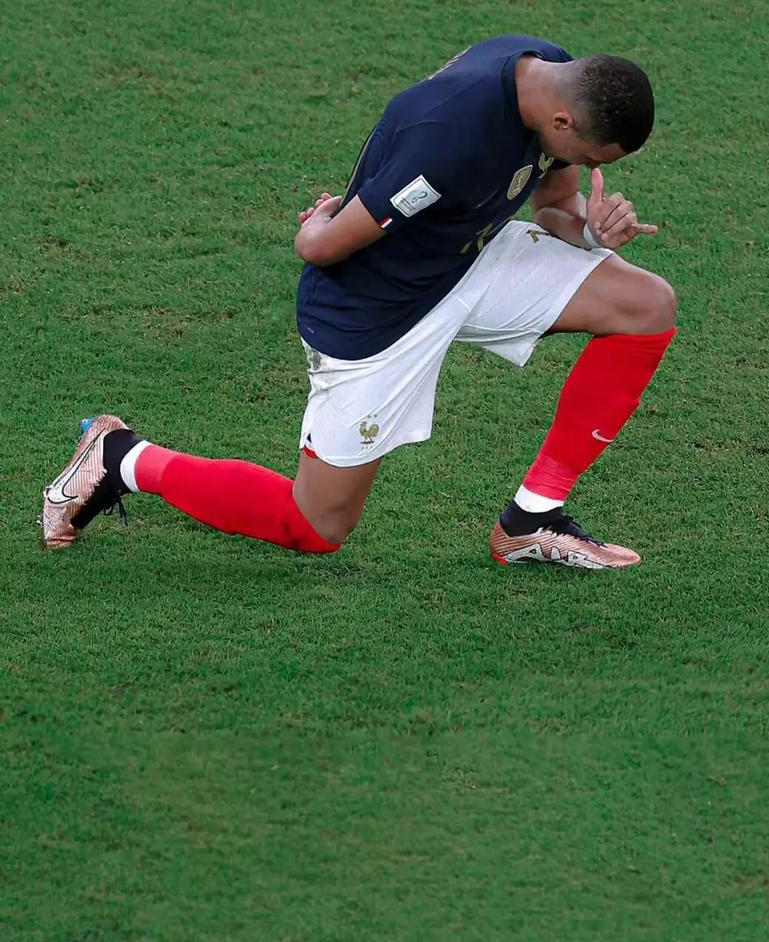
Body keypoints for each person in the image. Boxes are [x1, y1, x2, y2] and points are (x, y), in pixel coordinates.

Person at [40, 35, 676, 570]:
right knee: (316, 525)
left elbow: (555, 205)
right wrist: (318, 225)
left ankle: (531, 520)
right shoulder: (449, 139)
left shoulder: (548, 72)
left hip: (467, 258)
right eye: (588, 156)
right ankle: (122, 458)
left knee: (645, 305)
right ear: (563, 123)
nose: (584, 164)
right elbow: (321, 247)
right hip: (377, 315)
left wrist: (592, 231)